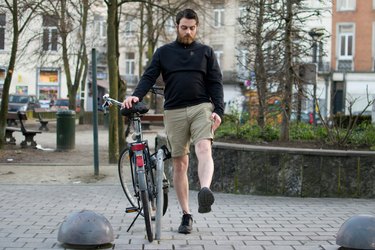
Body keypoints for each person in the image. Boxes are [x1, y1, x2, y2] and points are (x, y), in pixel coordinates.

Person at [123, 8, 224, 234]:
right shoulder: (164, 52)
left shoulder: (206, 52)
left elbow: (215, 83)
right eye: (184, 27)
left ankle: (205, 190)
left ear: (197, 28)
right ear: (177, 27)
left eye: (192, 28)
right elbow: (149, 76)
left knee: (203, 146)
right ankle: (186, 215)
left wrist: (219, 110)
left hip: (201, 106)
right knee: (180, 163)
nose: (188, 32)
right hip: (174, 110)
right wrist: (135, 95)